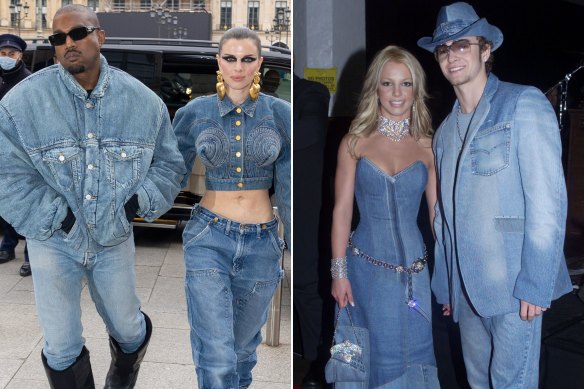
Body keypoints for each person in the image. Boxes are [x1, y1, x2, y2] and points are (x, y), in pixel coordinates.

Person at [0, 5, 186, 388]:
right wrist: (56, 217)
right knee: (61, 346)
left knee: (128, 329)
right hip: (52, 240)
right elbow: (7, 174)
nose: (68, 43)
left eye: (78, 33)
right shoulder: (22, 102)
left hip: (113, 238)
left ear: (100, 37)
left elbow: (169, 167)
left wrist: (136, 204)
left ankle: (125, 370)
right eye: (57, 38)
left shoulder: (143, 102)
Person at [417, 2, 572, 387]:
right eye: (443, 48)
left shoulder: (523, 103)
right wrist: (447, 285)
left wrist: (536, 282)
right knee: (477, 381)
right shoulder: (444, 133)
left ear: (485, 50)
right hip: (467, 292)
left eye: (462, 45)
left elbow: (547, 202)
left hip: (515, 284)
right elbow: (444, 218)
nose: (452, 55)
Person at [173, 26, 290, 389]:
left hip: (262, 243)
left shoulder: (281, 113)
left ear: (260, 63)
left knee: (242, 354)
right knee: (218, 358)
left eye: (247, 59)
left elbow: (287, 185)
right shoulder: (196, 111)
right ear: (218, 62)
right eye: (230, 58)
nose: (238, 67)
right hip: (210, 237)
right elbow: (170, 169)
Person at [330, 45, 439, 387]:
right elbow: (342, 210)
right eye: (388, 83)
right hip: (366, 273)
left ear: (416, 90)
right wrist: (339, 273)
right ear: (375, 87)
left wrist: (450, 277)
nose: (396, 93)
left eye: (405, 84)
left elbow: (438, 217)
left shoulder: (428, 145)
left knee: (414, 353)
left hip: (415, 275)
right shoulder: (354, 142)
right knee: (370, 357)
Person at [293, 74, 330, 388]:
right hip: (265, 202)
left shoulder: (312, 91)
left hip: (306, 206)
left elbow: (312, 132)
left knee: (305, 285)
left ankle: (317, 360)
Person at [0, 33, 32, 277]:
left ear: (20, 55)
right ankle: (7, 246)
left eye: (11, 54)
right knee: (5, 202)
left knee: (29, 204)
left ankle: (31, 256)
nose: (7, 58)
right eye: (3, 54)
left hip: (23, 154)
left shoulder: (29, 82)